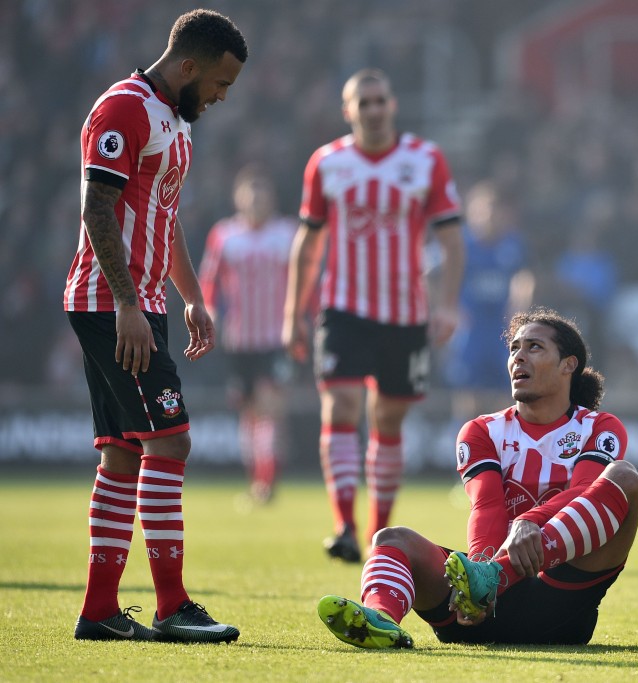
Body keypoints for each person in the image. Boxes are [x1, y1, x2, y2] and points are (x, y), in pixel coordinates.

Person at [63, 9, 247, 642]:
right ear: (188, 66)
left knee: (121, 454)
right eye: (220, 83)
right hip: (111, 305)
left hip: (143, 304)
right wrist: (126, 305)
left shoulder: (174, 120)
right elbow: (97, 208)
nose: (222, 97)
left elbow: (163, 217)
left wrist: (190, 295)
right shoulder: (124, 108)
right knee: (171, 443)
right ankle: (170, 606)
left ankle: (99, 611)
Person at [315, 308, 638, 648]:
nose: (518, 357)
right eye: (514, 348)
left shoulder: (599, 427)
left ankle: (492, 580)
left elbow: (582, 491)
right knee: (392, 539)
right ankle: (380, 618)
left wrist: (527, 524)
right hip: (479, 612)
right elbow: (486, 506)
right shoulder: (482, 430)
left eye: (534, 347)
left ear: (568, 365)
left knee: (625, 477)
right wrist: (478, 575)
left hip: (561, 602)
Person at [283, 68, 465, 563]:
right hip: (342, 308)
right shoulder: (327, 162)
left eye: (380, 100)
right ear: (348, 111)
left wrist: (447, 305)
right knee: (340, 406)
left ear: (394, 104)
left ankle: (378, 533)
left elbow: (450, 239)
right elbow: (309, 240)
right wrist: (293, 311)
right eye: (363, 102)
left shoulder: (425, 160)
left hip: (405, 316)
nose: (373, 109)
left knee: (387, 418)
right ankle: (344, 523)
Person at [198, 164, 297, 504]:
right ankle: (257, 479)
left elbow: (305, 281)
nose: (256, 198)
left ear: (272, 198)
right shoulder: (224, 235)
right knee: (250, 414)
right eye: (249, 191)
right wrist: (209, 312)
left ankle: (266, 484)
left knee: (270, 408)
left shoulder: (287, 233)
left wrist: (305, 319)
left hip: (276, 338)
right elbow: (210, 282)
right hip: (239, 340)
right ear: (237, 198)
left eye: (262, 191)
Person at [443, 180, 534, 421]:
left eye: (495, 208)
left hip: (501, 328)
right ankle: (465, 449)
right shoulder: (461, 245)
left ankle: (503, 452)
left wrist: (519, 313)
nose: (490, 215)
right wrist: (450, 309)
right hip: (471, 329)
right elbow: (434, 276)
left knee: (507, 392)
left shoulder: (513, 244)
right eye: (485, 208)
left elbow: (524, 279)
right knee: (468, 394)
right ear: (472, 211)